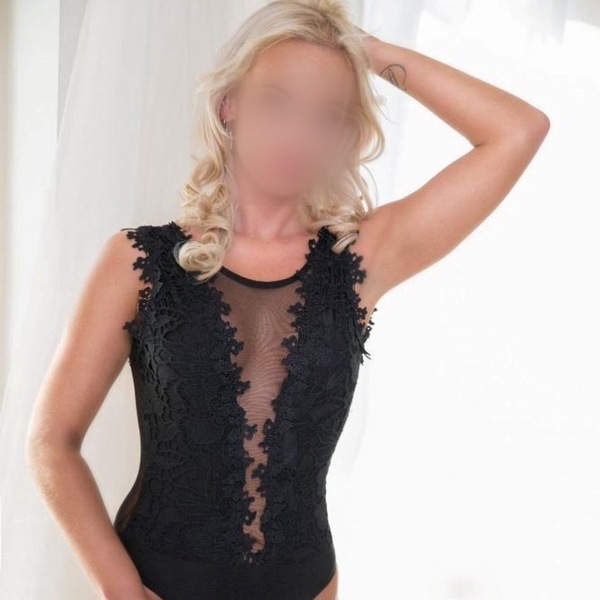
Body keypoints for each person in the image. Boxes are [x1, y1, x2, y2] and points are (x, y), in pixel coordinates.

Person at [24, 1, 550, 599]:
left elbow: (519, 130)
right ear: (230, 105)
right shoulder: (139, 261)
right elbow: (52, 440)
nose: (298, 134)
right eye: (276, 101)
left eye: (326, 115)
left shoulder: (361, 260)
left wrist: (360, 47)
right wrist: (122, 592)